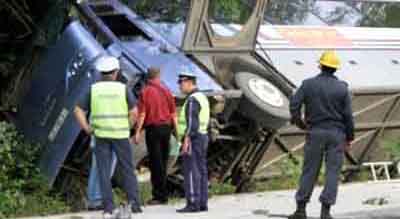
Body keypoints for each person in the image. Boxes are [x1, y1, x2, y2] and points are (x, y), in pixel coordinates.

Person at [288, 51, 354, 219]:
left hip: (315, 132)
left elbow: (294, 105)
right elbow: (348, 116)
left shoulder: (308, 84)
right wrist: (350, 137)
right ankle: (325, 213)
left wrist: (300, 123)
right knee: (333, 172)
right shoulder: (342, 88)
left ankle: (300, 210)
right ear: (335, 69)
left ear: (320, 65)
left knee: (309, 170)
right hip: (337, 134)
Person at [74, 55, 142, 218]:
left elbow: (77, 110)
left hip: (101, 136)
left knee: (103, 171)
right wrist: (127, 126)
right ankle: (134, 205)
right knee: (127, 169)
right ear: (116, 72)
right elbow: (134, 113)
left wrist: (87, 128)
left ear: (101, 73)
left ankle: (108, 208)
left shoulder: (93, 89)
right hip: (120, 135)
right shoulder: (123, 88)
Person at [134, 67, 177, 205]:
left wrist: (137, 132)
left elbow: (142, 114)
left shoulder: (145, 92)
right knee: (163, 162)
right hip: (166, 129)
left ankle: (159, 196)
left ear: (148, 77)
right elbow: (173, 114)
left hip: (153, 130)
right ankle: (163, 194)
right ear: (159, 76)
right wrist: (177, 132)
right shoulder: (167, 90)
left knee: (155, 162)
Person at [176, 71, 210, 213]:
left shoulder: (192, 100)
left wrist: (186, 141)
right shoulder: (202, 97)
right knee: (201, 170)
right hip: (202, 137)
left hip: (193, 139)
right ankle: (202, 203)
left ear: (189, 82)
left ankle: (192, 203)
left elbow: (191, 123)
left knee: (190, 171)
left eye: (181, 83)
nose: (179, 86)